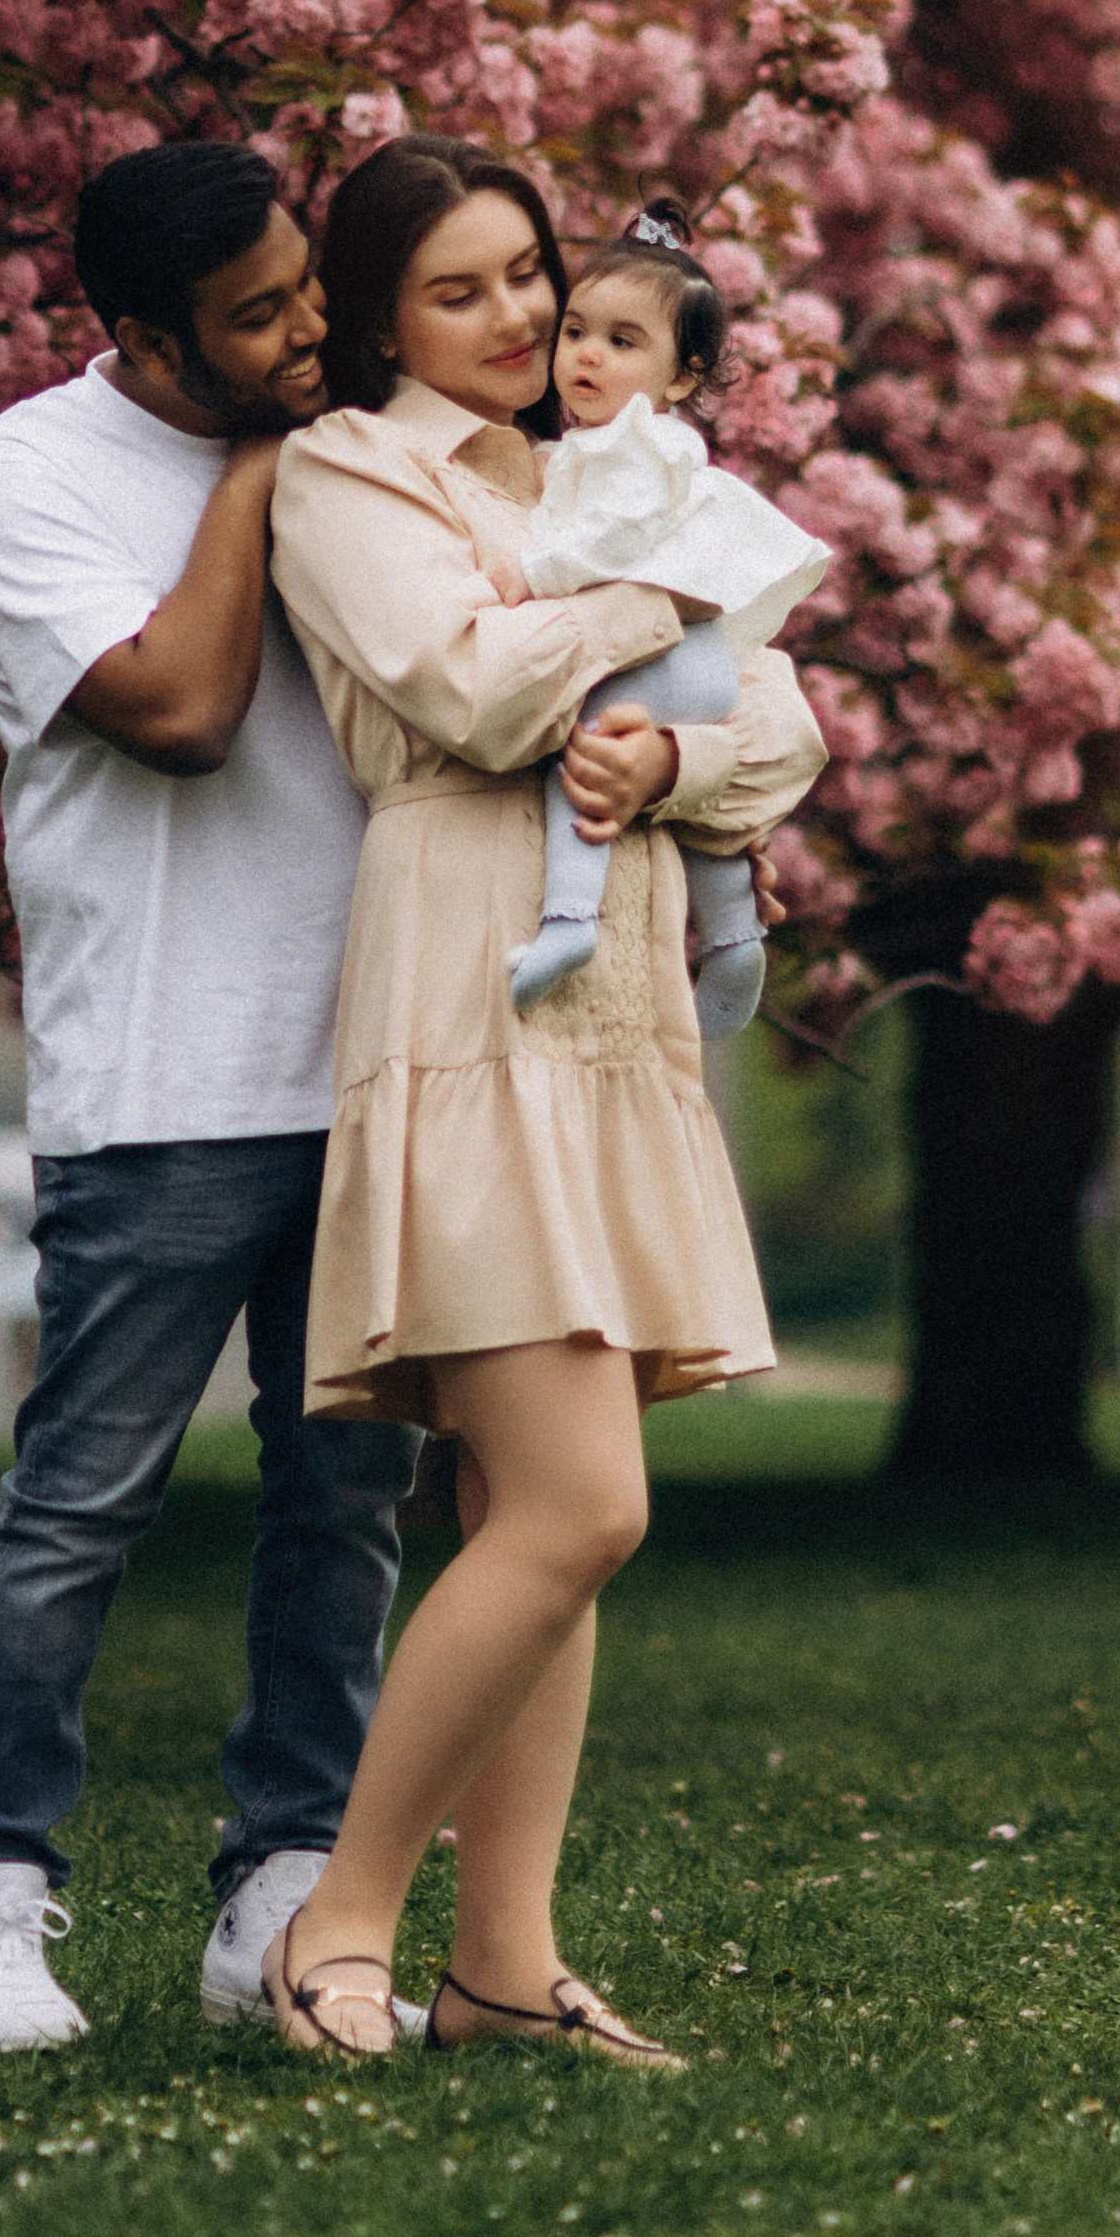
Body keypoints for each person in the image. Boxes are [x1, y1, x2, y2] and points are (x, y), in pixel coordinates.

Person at [255, 134, 827, 2069]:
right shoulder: (353, 476)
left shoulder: (615, 462)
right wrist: (661, 605)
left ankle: (506, 1965)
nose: (516, 322)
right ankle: (340, 1915)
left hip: (617, 1002)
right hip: (465, 978)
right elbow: (472, 692)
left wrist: (672, 751)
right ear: (379, 318)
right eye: (463, 291)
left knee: (527, 1501)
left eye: (528, 278)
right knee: (583, 1505)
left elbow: (791, 725)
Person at [0, 138, 424, 2054]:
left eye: (308, 289)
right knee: (79, 1504)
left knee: (344, 1495)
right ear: (142, 335)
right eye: (259, 318)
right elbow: (186, 713)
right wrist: (263, 479)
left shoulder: (367, 432)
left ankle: (282, 1886)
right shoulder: (32, 473)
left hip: (369, 1056)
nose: (310, 331)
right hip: (160, 1075)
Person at [505, 200, 830, 1027]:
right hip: (693, 659)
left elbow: (617, 540)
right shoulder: (605, 445)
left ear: (682, 377)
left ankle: (568, 919)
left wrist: (537, 574)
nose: (585, 355)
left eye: (622, 342)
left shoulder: (643, 446)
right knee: (690, 811)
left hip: (669, 652)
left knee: (582, 755)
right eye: (576, 331)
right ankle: (732, 937)